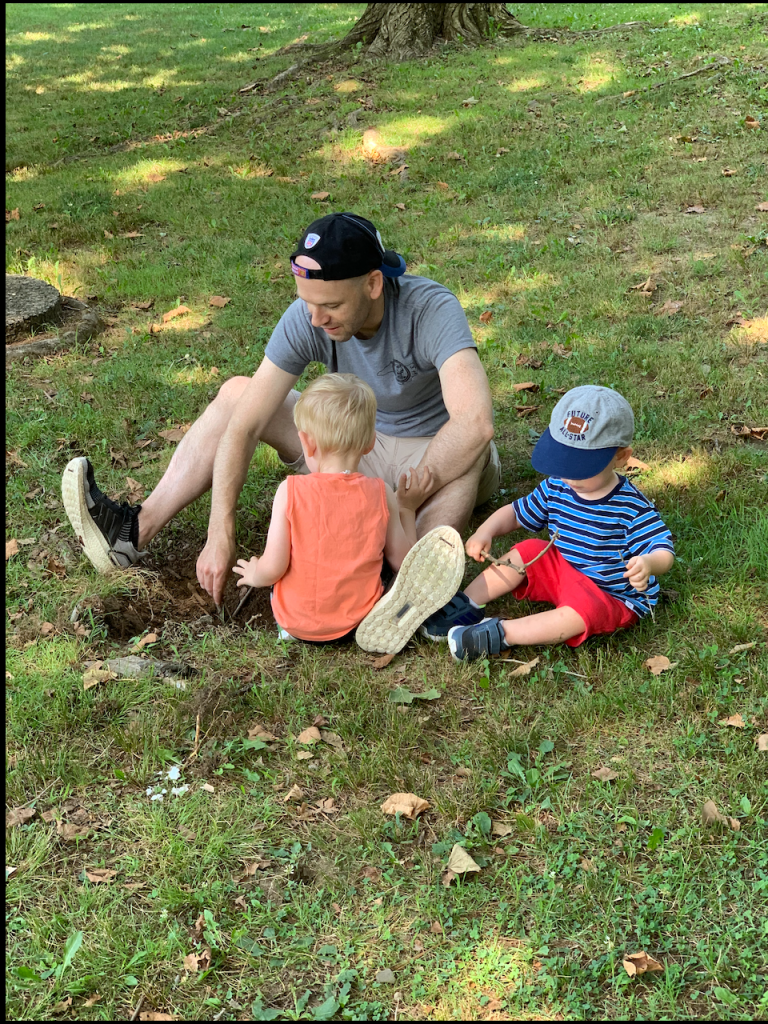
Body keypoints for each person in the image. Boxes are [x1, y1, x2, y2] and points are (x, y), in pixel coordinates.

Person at [61, 212, 497, 607]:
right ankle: (132, 534)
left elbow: (475, 423)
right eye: (308, 302)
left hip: (431, 453)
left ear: (373, 284)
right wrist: (220, 530)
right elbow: (244, 425)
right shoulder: (310, 315)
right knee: (237, 394)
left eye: (331, 305)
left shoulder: (430, 308)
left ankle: (409, 585)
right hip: (358, 446)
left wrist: (412, 495)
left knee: (471, 452)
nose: (316, 319)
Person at [420, 386, 675, 662]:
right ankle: (467, 604)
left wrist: (648, 564)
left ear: (621, 456)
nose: (570, 476)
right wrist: (486, 530)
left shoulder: (631, 507)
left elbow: (663, 550)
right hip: (564, 569)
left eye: (582, 467)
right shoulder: (557, 486)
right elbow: (516, 513)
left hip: (607, 595)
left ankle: (501, 633)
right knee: (528, 549)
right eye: (563, 461)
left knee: (583, 613)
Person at [231, 372, 465, 654]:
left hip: (295, 623)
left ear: (307, 443)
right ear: (370, 443)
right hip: (360, 622)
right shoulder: (381, 493)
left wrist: (254, 573)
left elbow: (273, 568)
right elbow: (405, 562)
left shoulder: (290, 491)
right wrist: (406, 508)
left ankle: (290, 631)